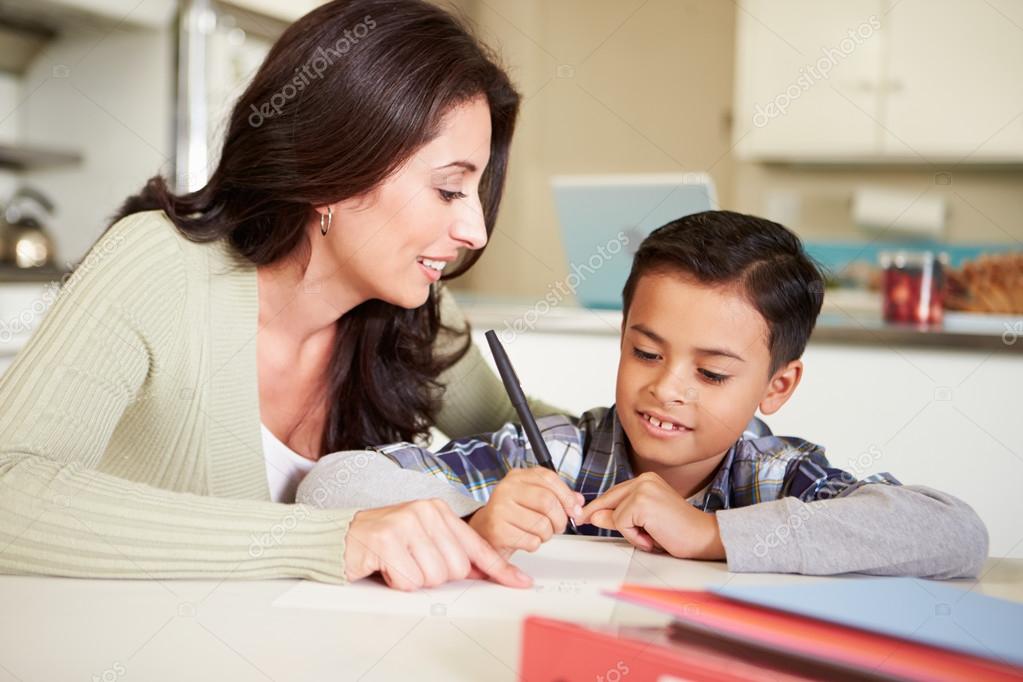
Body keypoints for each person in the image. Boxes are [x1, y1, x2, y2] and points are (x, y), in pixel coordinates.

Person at [0, 0, 563, 592]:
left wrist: (663, 450)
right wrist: (334, 539)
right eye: (450, 189)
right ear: (332, 173)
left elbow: (536, 433)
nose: (476, 230)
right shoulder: (159, 267)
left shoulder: (416, 313)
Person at [305, 211, 989, 579]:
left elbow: (955, 533)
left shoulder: (775, 476)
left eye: (712, 374)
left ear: (776, 385)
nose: (665, 388)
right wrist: (465, 521)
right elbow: (328, 486)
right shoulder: (553, 456)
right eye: (645, 352)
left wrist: (711, 534)